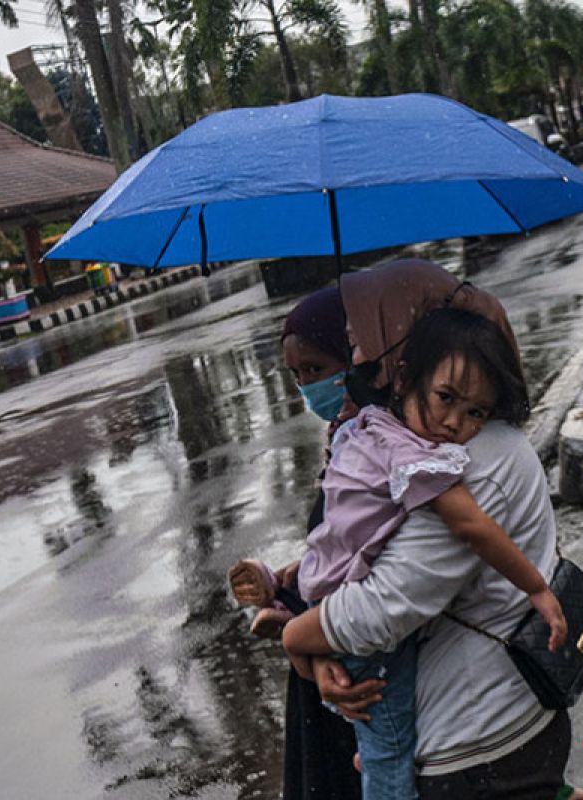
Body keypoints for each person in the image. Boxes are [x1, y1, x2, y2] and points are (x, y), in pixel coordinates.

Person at [274, 260, 583, 799]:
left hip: (477, 742)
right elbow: (361, 551)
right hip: (482, 726)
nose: (357, 357)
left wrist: (297, 637)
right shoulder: (424, 440)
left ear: (405, 342)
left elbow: (382, 610)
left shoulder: (467, 462)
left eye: (364, 338)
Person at [230, 285, 362, 800]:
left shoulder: (382, 449)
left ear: (354, 357)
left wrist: (305, 639)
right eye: (297, 374)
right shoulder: (344, 437)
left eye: (316, 367)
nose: (307, 384)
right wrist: (293, 573)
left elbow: (379, 563)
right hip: (322, 667)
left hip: (351, 670)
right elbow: (342, 546)